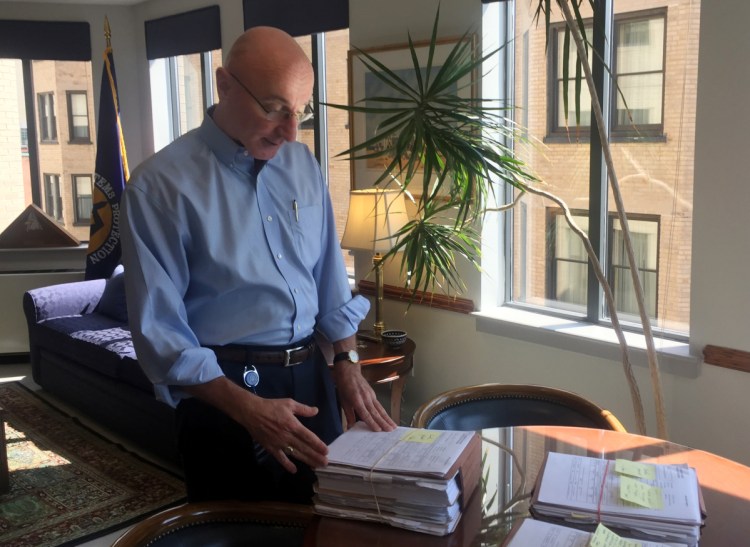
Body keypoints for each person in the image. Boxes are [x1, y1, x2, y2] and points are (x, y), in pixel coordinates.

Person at [120, 26, 396, 504]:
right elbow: (161, 333)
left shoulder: (302, 165)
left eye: (300, 112)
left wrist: (347, 362)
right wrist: (248, 409)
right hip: (224, 392)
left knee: (330, 519)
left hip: (312, 376)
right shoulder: (158, 188)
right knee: (239, 533)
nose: (290, 131)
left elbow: (329, 279)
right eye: (273, 109)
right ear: (224, 85)